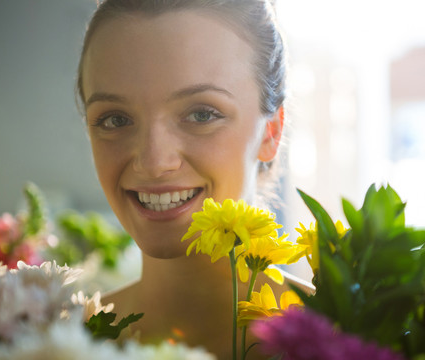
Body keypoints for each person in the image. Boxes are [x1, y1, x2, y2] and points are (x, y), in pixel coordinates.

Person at [76, 0, 311, 358]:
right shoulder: (56, 341)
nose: (154, 162)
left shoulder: (358, 337)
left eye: (201, 114)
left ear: (271, 133)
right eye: (115, 120)